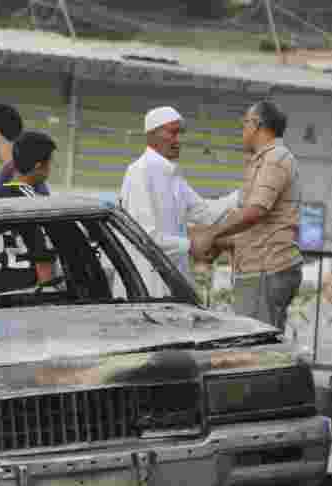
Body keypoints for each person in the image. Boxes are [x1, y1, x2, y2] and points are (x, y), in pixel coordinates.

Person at [190, 100, 303, 330]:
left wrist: (212, 235)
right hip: (259, 269)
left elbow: (255, 213)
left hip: (267, 268)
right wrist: (220, 242)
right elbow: (251, 222)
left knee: (260, 350)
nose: (242, 131)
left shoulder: (275, 159)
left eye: (244, 124)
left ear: (257, 124)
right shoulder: (263, 160)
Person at [120, 106, 239, 289]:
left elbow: (205, 213)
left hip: (174, 276)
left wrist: (242, 195)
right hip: (147, 281)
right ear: (152, 136)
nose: (178, 140)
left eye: (180, 134)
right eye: (173, 133)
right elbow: (143, 236)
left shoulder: (172, 175)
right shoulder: (140, 173)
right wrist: (191, 245)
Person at [0, 131, 58, 294]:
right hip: (27, 295)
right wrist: (48, 293)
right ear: (39, 166)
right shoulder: (37, 203)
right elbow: (42, 257)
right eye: (50, 163)